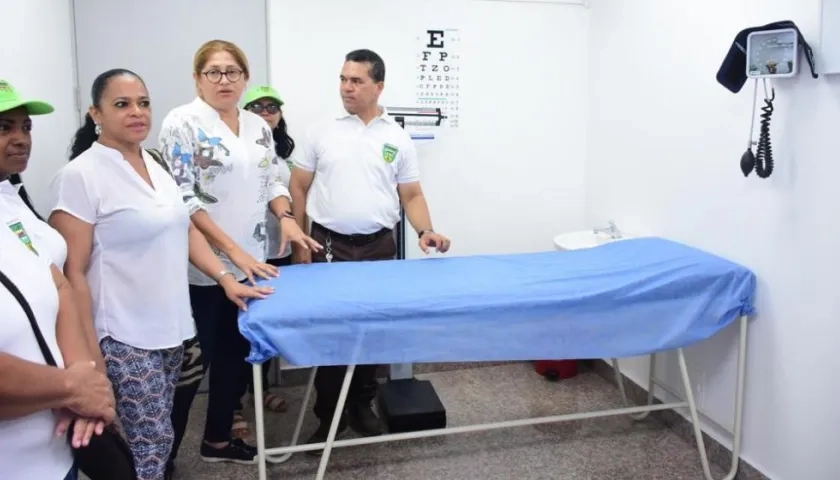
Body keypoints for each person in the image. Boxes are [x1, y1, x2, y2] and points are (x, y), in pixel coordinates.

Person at [47, 68, 272, 480]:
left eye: (144, 103)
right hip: (123, 338)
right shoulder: (80, 176)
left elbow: (185, 229)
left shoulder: (154, 163)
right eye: (122, 104)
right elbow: (71, 275)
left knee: (159, 439)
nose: (137, 112)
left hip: (174, 329)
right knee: (147, 449)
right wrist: (90, 359)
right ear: (96, 113)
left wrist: (226, 279)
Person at [158, 39, 322, 466]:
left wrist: (285, 216)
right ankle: (161, 460)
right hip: (205, 267)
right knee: (193, 366)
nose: (224, 80)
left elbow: (274, 181)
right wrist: (232, 253)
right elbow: (185, 199)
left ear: (245, 78)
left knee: (236, 354)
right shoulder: (182, 123)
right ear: (197, 78)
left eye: (232, 71)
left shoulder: (257, 126)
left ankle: (216, 440)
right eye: (213, 72)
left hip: (254, 262)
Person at [289, 49, 451, 450]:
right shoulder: (320, 131)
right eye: (343, 79)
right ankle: (328, 415)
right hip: (329, 245)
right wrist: (299, 242)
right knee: (333, 332)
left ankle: (362, 405)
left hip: (380, 246)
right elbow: (298, 187)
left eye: (356, 80)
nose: (347, 87)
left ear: (378, 86)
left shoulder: (395, 137)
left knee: (372, 330)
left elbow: (411, 194)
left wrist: (425, 229)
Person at [0, 79, 116, 480]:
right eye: (4, 128)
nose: (20, 139)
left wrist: (87, 376)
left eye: (25, 127)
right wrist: (70, 387)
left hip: (56, 449)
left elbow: (58, 285)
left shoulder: (10, 200)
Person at [230, 85, 297, 433]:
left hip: (278, 254)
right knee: (240, 332)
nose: (266, 111)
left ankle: (264, 389)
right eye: (258, 106)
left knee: (269, 327)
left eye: (273, 106)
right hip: (245, 257)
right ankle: (235, 404)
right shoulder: (237, 153)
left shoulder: (286, 157)